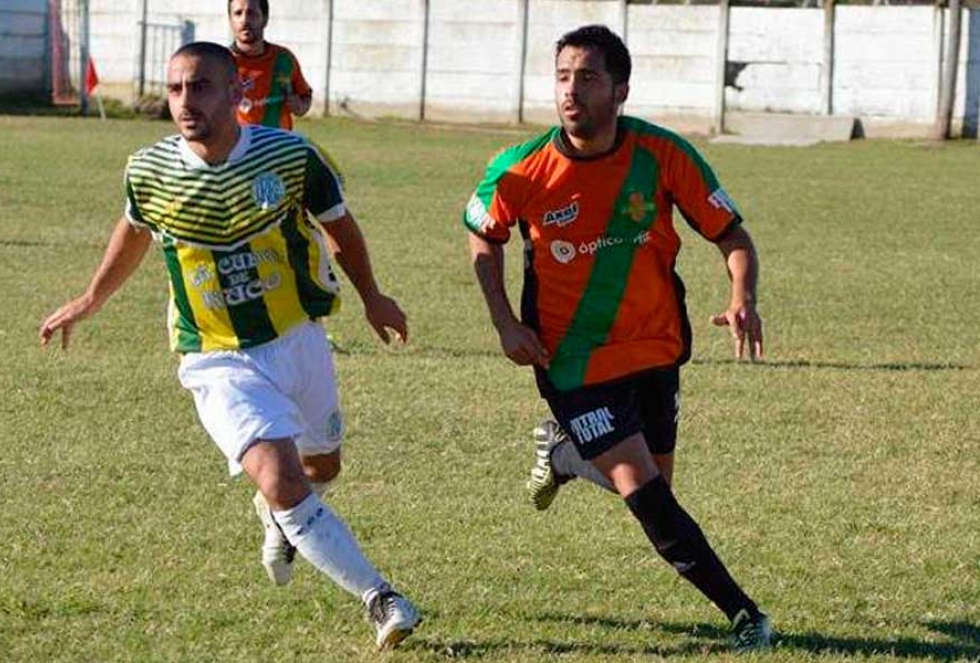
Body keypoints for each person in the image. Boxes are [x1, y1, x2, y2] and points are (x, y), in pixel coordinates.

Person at [39, 42, 420, 651]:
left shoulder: (290, 156)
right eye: (174, 90)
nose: (186, 102)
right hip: (214, 355)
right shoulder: (149, 169)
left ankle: (278, 519)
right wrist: (91, 298)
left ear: (236, 93)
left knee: (323, 467)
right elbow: (134, 228)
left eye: (201, 87)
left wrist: (373, 296)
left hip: (297, 337)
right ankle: (381, 597)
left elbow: (339, 225)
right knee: (282, 476)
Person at [463, 25, 771, 653]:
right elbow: (482, 235)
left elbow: (732, 236)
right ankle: (744, 614)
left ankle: (569, 456)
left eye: (589, 78)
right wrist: (503, 321)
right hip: (571, 358)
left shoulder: (663, 154)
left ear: (621, 89)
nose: (571, 92)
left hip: (654, 344)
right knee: (643, 489)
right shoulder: (519, 170)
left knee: (659, 485)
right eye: (563, 77)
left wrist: (743, 297)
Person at [229, 0, 312, 129]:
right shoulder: (222, 62)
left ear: (265, 19)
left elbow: (305, 97)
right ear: (230, 20)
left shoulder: (284, 59)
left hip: (278, 145)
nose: (244, 20)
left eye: (252, 14)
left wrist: (299, 106)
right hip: (239, 146)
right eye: (238, 13)